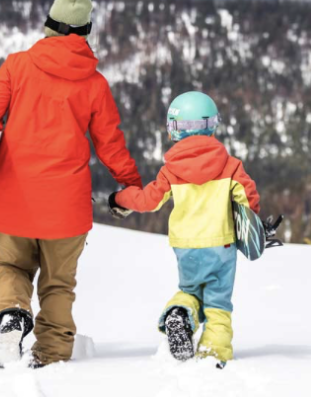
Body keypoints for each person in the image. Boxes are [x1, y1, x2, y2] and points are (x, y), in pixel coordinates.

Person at [0, 0, 143, 368]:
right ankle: (50, 356)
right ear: (86, 31)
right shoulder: (94, 84)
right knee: (58, 284)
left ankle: (12, 315)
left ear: (49, 25)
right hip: (66, 206)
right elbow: (110, 145)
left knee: (11, 268)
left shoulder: (16, 66)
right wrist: (130, 184)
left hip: (11, 196)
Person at [109, 91, 260, 368]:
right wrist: (253, 225)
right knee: (217, 302)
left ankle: (179, 311)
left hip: (186, 245)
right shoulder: (230, 166)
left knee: (190, 289)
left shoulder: (171, 171)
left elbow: (148, 201)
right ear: (212, 124)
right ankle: (214, 351)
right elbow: (247, 198)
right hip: (221, 245)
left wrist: (119, 199)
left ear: (174, 130)